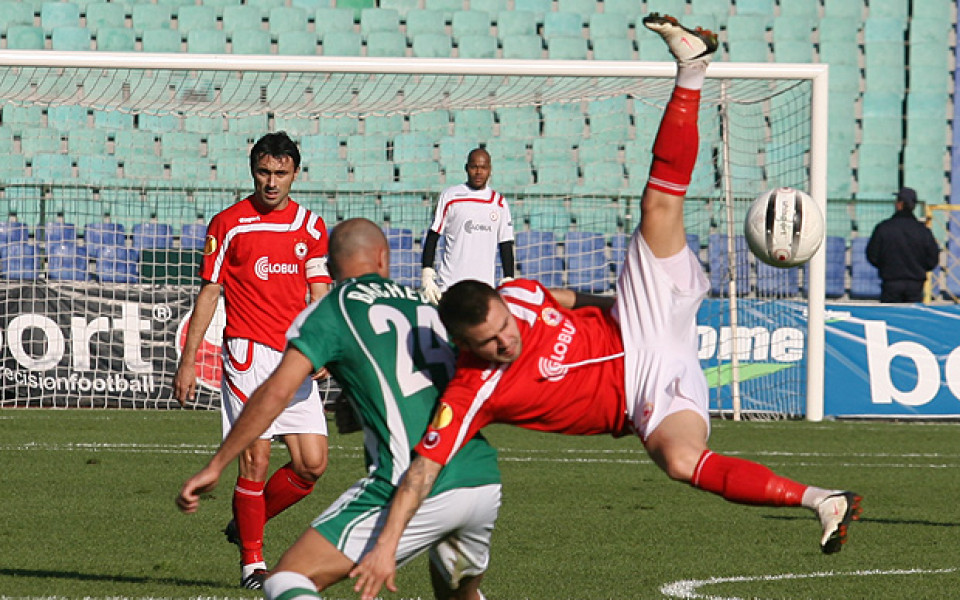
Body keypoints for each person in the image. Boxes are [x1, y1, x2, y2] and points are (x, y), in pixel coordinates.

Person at [351, 14, 862, 599]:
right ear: (467, 347)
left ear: (502, 300)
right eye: (492, 343)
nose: (508, 340)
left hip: (641, 317)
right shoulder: (472, 391)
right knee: (680, 462)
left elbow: (560, 297)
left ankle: (691, 69)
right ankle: (825, 499)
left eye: (506, 326)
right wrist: (387, 546)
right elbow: (424, 467)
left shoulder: (517, 295)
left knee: (656, 209)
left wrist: (623, 301)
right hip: (642, 393)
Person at [176, 218, 502, 600]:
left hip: (411, 481)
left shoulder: (332, 310)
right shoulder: (426, 307)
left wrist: (217, 464)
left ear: (328, 268)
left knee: (286, 580)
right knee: (456, 595)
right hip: (481, 480)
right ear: (384, 258)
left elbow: (275, 394)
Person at [174, 131, 332, 590]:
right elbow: (211, 291)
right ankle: (252, 563)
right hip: (247, 353)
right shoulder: (228, 224)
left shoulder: (311, 226)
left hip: (295, 356)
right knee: (255, 460)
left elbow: (319, 291)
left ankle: (247, 520)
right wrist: (188, 361)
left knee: (312, 464)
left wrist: (323, 342)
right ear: (252, 170)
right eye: (264, 172)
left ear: (295, 174)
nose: (271, 182)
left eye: (281, 173)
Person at [421, 147, 516, 303]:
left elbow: (505, 244)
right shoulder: (450, 196)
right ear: (466, 168)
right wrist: (427, 273)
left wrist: (508, 278)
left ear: (490, 170)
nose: (478, 172)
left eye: (483, 167)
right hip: (450, 286)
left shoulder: (499, 202)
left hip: (484, 289)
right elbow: (433, 236)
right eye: (474, 167)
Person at [865, 186, 940, 303]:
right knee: (912, 318)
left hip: (891, 282)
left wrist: (886, 267)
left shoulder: (884, 228)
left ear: (899, 204)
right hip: (916, 284)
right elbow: (933, 258)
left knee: (891, 317)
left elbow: (872, 255)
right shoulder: (923, 231)